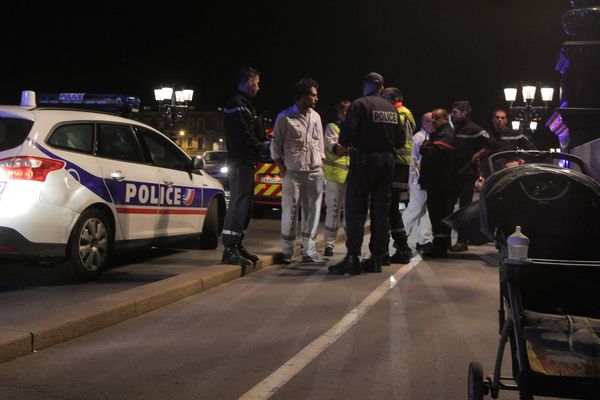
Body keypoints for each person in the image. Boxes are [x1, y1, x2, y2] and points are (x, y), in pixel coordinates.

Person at [328, 72, 404, 275]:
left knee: (356, 210)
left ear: (364, 86)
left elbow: (347, 135)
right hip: (387, 163)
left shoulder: (359, 104)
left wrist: (345, 144)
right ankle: (377, 259)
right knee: (381, 211)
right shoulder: (391, 109)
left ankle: (353, 258)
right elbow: (400, 140)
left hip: (365, 161)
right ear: (382, 87)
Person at [270, 78, 326, 264]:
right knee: (290, 211)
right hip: (293, 173)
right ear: (303, 96)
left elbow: (320, 145)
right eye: (313, 94)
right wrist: (282, 168)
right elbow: (276, 145)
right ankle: (287, 251)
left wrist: (321, 166)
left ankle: (309, 251)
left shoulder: (316, 117)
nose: (316, 98)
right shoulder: (284, 117)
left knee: (312, 213)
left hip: (315, 172)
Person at [221, 66, 267, 267]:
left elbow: (253, 133)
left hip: (246, 161)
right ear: (249, 82)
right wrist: (261, 147)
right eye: (257, 84)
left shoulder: (246, 105)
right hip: (239, 161)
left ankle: (238, 244)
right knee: (238, 203)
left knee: (245, 205)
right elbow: (242, 136)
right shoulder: (236, 105)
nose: (258, 88)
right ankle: (229, 249)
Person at [449, 100, 491, 252]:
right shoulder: (453, 128)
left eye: (455, 112)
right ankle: (445, 239)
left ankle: (462, 241)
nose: (452, 115)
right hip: (453, 172)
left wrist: (475, 156)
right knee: (449, 206)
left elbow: (489, 146)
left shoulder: (476, 129)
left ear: (464, 113)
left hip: (467, 173)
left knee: (464, 207)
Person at [381, 87, 414, 264]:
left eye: (384, 97)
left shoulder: (398, 114)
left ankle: (398, 248)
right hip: (401, 165)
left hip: (396, 164)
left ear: (394, 99)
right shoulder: (406, 113)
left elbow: (394, 139)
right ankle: (401, 247)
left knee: (388, 208)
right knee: (392, 208)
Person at [419, 109, 456, 258]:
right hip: (438, 181)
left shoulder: (446, 133)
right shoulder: (440, 132)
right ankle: (441, 244)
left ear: (445, 118)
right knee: (438, 214)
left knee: (439, 214)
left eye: (436, 118)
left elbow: (436, 151)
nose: (433, 121)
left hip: (440, 182)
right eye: (432, 119)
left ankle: (440, 248)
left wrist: (424, 148)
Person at [322, 100, 351, 257]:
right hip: (334, 176)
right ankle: (329, 245)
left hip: (349, 176)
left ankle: (350, 244)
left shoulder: (352, 128)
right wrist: (350, 149)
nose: (348, 114)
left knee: (350, 213)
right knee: (333, 211)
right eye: (346, 111)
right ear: (340, 112)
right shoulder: (332, 128)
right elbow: (335, 148)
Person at [402, 112, 434, 253]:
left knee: (424, 210)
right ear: (424, 123)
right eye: (432, 122)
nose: (434, 124)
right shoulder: (418, 138)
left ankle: (424, 240)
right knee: (415, 209)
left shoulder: (426, 137)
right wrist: (413, 181)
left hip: (424, 179)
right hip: (418, 180)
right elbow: (412, 161)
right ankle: (401, 237)